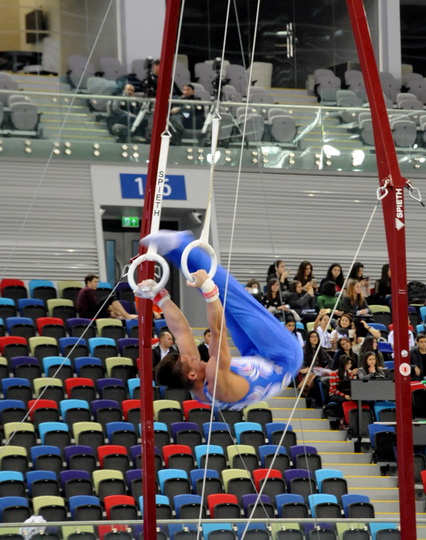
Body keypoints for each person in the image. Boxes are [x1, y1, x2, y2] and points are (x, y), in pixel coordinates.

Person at [137, 230, 303, 410]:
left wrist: (159, 297)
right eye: (188, 359)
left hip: (254, 355)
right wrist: (208, 289)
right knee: (233, 300)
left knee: (222, 300)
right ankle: (181, 245)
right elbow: (218, 330)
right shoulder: (217, 384)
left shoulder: (191, 374)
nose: (190, 355)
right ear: (192, 375)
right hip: (284, 359)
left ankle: (175, 249)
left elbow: (181, 330)